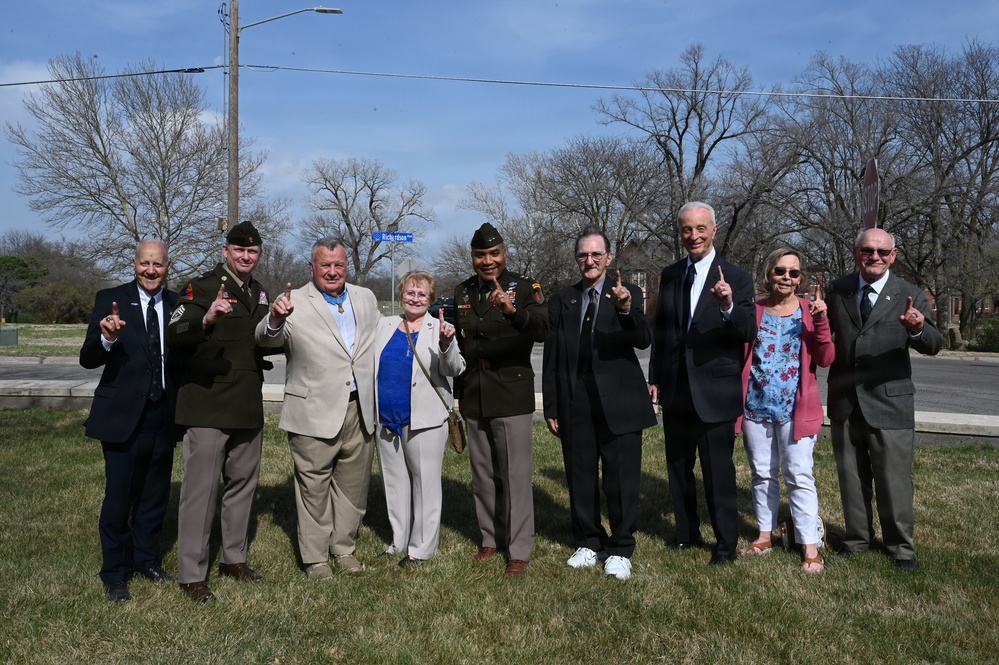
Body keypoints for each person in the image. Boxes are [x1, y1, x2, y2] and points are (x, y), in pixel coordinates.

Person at [255, 237, 380, 578]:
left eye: (338, 264)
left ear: (346, 266)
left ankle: (344, 548)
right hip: (313, 410)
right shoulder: (293, 301)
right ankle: (316, 558)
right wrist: (275, 319)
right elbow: (265, 339)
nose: (332, 271)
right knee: (313, 487)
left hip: (359, 407)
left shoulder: (365, 298)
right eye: (325, 265)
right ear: (312, 268)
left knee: (353, 486)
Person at [542, 227, 657, 580]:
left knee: (621, 480)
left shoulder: (628, 292)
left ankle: (621, 547)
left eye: (596, 255)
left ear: (608, 258)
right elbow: (552, 357)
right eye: (583, 255)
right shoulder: (563, 300)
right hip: (576, 402)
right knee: (580, 476)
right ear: (577, 259)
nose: (589, 261)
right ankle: (589, 541)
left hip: (620, 402)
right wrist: (552, 407)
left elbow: (642, 339)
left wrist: (625, 310)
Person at [826, 228, 942, 573]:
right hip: (846, 400)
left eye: (881, 251)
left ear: (893, 255)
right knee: (851, 476)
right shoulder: (838, 290)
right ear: (856, 252)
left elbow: (934, 344)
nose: (874, 257)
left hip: (890, 403)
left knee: (894, 480)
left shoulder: (909, 294)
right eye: (867, 250)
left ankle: (901, 547)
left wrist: (917, 328)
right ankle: (856, 539)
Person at [167, 220, 272, 602]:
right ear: (225, 251)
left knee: (243, 484)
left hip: (246, 402)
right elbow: (174, 333)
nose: (246, 256)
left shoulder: (258, 293)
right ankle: (192, 573)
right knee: (201, 490)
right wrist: (207, 318)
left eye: (253, 251)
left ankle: (233, 558)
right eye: (239, 250)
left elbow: (263, 341)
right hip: (208, 404)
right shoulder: (203, 286)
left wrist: (277, 322)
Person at [648, 201, 756, 566]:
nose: (693, 236)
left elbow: (747, 329)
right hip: (676, 390)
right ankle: (686, 534)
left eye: (700, 229)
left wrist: (728, 306)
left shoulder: (736, 278)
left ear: (714, 230)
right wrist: (655, 378)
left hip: (715, 393)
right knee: (678, 469)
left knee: (717, 474)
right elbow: (663, 331)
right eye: (686, 230)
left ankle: (725, 545)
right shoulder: (672, 273)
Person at [80, 239, 179, 602]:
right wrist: (106, 338)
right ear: (134, 264)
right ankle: (115, 572)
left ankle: (146, 560)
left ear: (168, 266)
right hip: (122, 416)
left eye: (158, 264)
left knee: (155, 496)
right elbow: (87, 358)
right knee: (119, 499)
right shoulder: (111, 299)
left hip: (163, 414)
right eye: (144, 264)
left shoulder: (176, 305)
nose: (151, 271)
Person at [453, 222, 548, 577]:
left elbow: (543, 328)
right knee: (482, 474)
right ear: (473, 257)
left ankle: (519, 549)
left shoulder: (524, 288)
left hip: (511, 390)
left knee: (515, 475)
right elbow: (460, 344)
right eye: (480, 255)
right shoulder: (462, 291)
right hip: (474, 390)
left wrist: (512, 312)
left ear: (504, 254)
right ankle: (490, 539)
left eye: (494, 254)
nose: (487, 261)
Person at [735, 248, 835, 573]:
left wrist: (821, 322)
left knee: (799, 476)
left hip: (796, 411)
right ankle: (764, 535)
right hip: (756, 408)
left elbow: (825, 358)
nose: (787, 278)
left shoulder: (810, 311)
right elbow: (741, 356)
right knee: (762, 474)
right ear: (769, 274)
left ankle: (809, 545)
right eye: (780, 271)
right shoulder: (754, 311)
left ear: (801, 278)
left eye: (793, 273)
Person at [373, 272, 465, 567]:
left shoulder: (440, 328)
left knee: (425, 484)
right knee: (395, 482)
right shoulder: (383, 325)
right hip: (386, 418)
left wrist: (446, 344)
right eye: (410, 293)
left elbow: (455, 369)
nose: (415, 298)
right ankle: (398, 540)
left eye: (422, 294)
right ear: (401, 294)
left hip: (425, 420)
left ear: (431, 299)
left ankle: (421, 548)